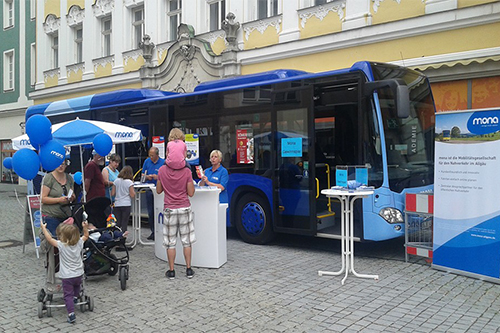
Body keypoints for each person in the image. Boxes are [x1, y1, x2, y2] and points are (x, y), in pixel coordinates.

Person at [156, 139, 196, 280]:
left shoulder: (161, 170)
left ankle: (172, 271)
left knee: (170, 242)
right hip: (184, 207)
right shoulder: (186, 171)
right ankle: (189, 269)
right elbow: (191, 193)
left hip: (169, 209)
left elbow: (159, 190)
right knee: (186, 241)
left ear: (168, 152)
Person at [40, 219, 89, 324]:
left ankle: (71, 314)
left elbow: (49, 239)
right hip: (79, 273)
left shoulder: (62, 245)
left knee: (67, 295)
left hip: (67, 276)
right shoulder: (79, 243)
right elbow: (86, 236)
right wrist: (85, 227)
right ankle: (76, 297)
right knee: (77, 287)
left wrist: (44, 228)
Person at [41, 159, 76, 235]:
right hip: (51, 215)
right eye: (58, 164)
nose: (60, 166)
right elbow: (43, 198)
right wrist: (58, 200)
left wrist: (71, 197)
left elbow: (73, 194)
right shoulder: (49, 178)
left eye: (63, 164)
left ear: (66, 165)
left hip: (65, 215)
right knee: (54, 240)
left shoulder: (69, 178)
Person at [141, 147, 165, 240]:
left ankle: (161, 231)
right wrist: (147, 177)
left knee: (160, 210)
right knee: (150, 211)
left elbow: (166, 175)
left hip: (160, 190)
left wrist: (158, 176)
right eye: (150, 155)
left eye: (152, 155)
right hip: (149, 189)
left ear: (157, 155)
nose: (151, 157)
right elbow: (143, 174)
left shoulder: (163, 163)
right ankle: (153, 232)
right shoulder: (147, 162)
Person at [111, 166, 135, 235]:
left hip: (117, 204)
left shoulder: (116, 181)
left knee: (117, 223)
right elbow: (132, 195)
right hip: (126, 204)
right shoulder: (129, 182)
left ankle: (116, 237)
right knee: (124, 223)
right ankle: (123, 239)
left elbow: (112, 193)